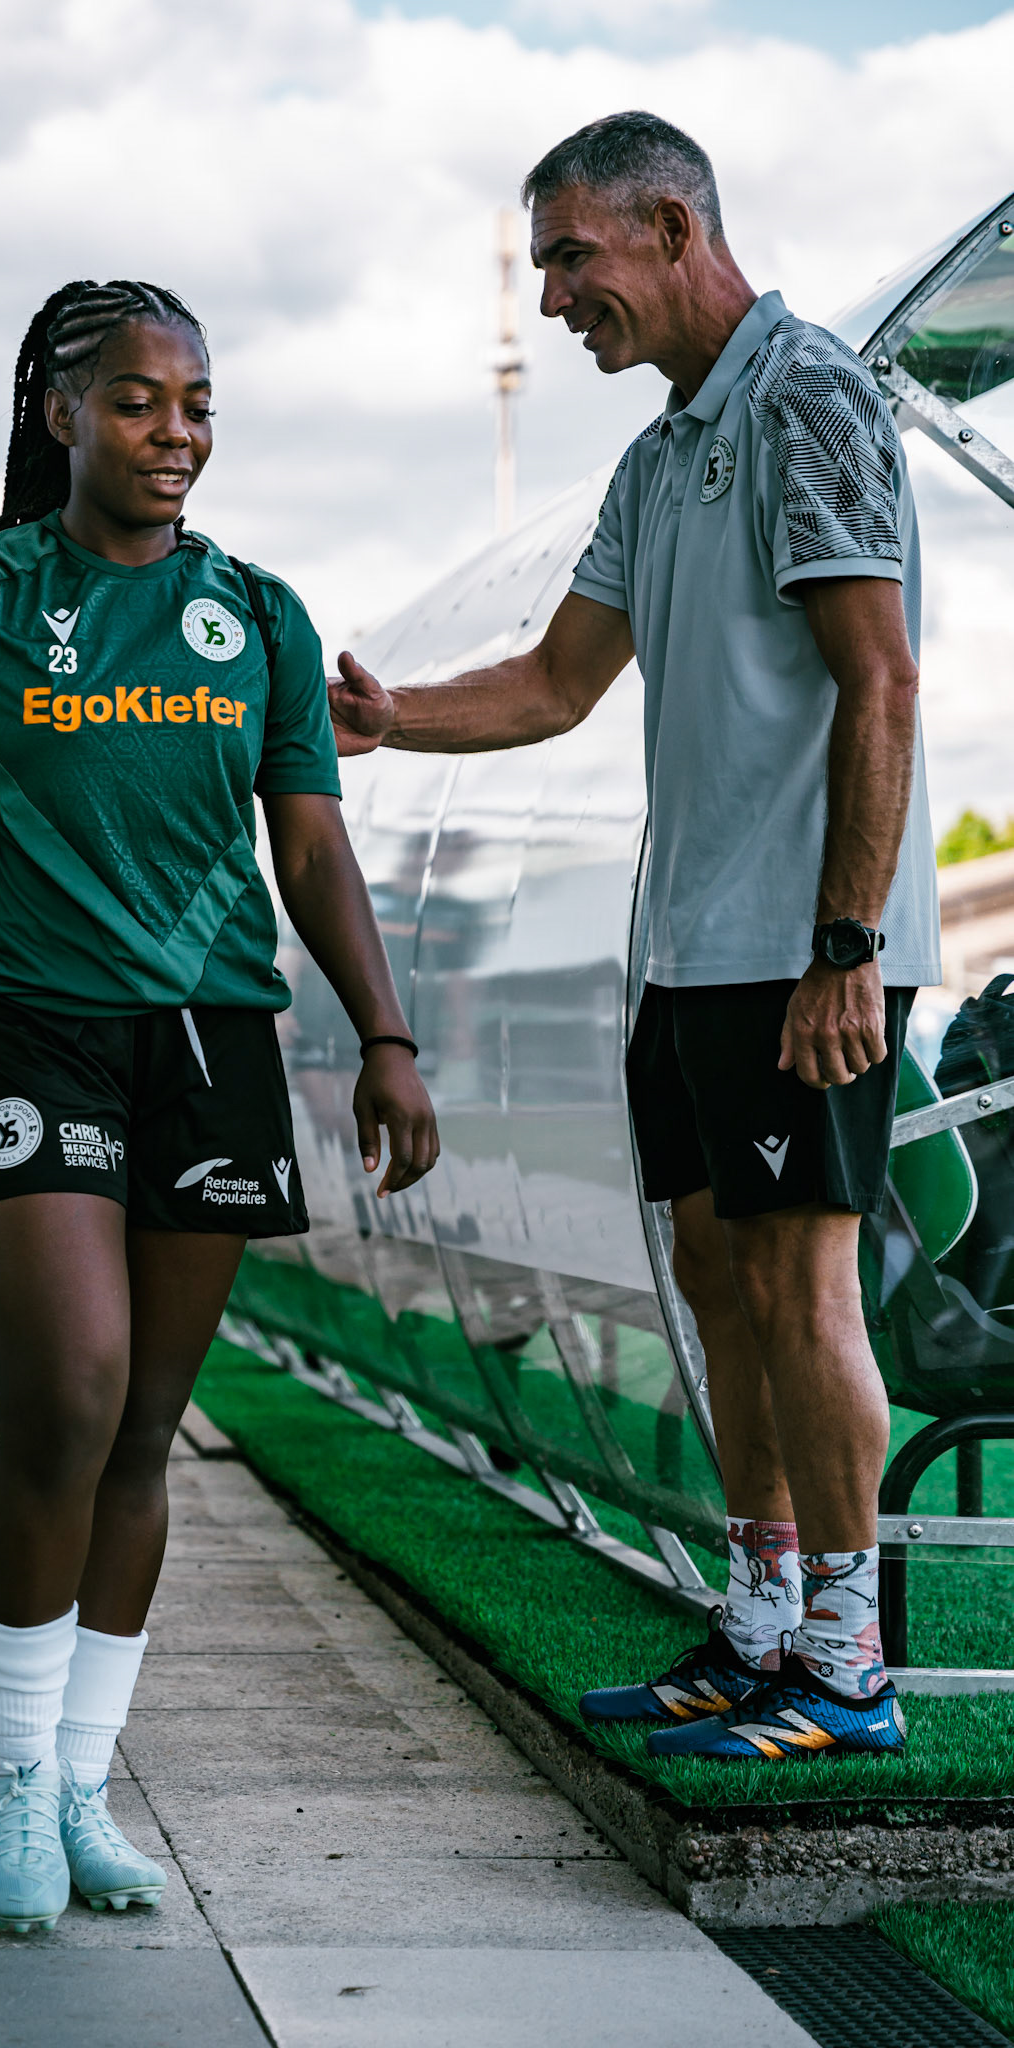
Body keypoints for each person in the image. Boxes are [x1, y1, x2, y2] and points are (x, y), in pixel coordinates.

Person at [0, 277, 438, 1931]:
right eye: (144, 401)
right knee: (69, 1396)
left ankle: (84, 1791)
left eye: (199, 403)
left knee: (150, 1428)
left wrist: (386, 1037)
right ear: (61, 414)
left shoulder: (261, 614)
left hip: (213, 1040)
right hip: (27, 1029)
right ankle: (11, 1787)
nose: (178, 432)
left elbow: (309, 847)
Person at [329, 114, 940, 1764]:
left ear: (671, 228)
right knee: (713, 1277)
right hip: (687, 950)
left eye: (569, 260)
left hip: (799, 951)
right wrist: (382, 721)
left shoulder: (808, 397)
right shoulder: (662, 454)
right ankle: (754, 1624)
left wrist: (842, 944)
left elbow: (878, 682)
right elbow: (549, 683)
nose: (552, 303)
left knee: (804, 1283)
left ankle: (846, 1664)